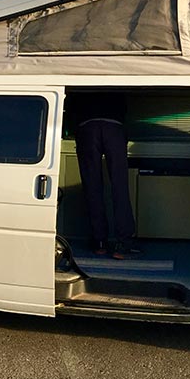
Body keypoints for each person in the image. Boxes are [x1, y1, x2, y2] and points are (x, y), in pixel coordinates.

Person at [70, 91, 141, 259]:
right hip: (114, 125)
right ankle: (123, 243)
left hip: (87, 126)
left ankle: (99, 241)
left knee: (92, 186)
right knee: (119, 185)